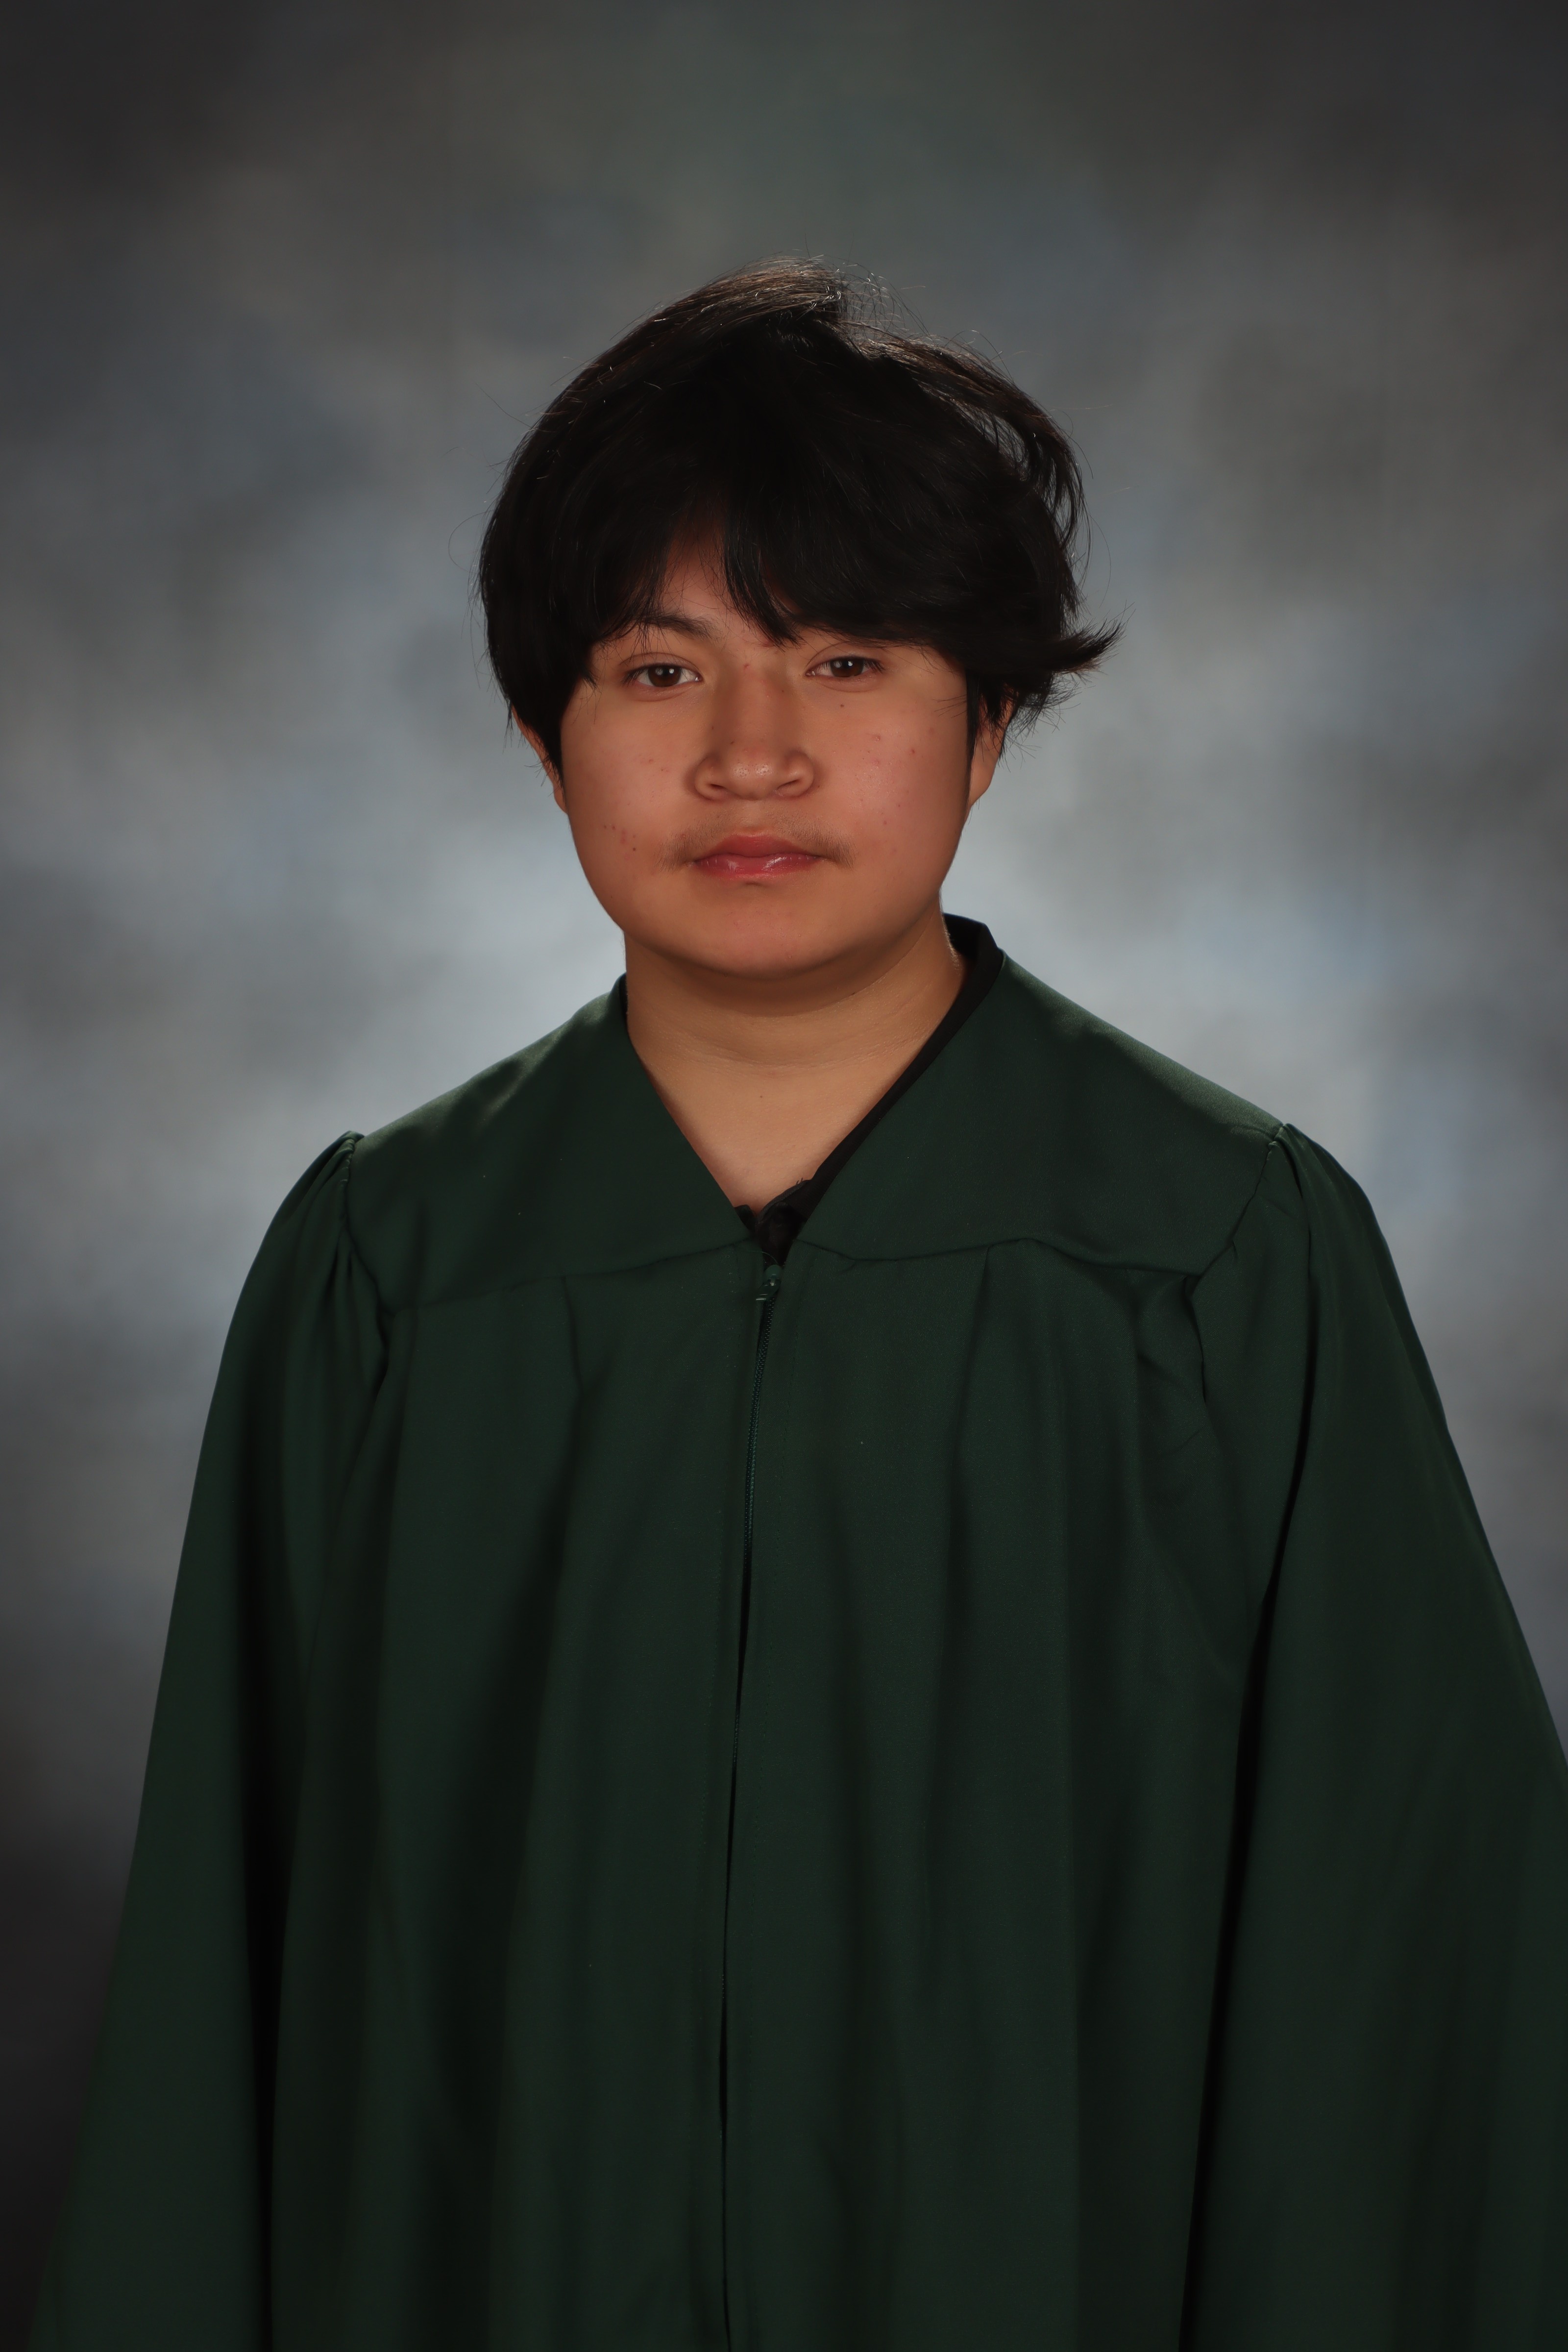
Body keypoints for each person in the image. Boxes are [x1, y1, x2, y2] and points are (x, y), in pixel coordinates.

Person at [31, 261, 1568, 2352]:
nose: (751, 757)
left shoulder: (1218, 1260)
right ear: (542, 731)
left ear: (991, 721)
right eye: (658, 671)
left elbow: (1403, 1981)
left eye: (848, 660)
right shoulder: (394, 1271)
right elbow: (223, 1982)